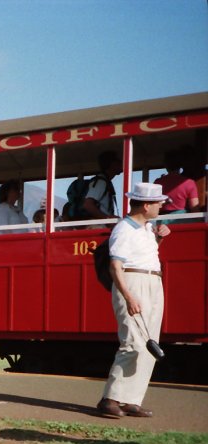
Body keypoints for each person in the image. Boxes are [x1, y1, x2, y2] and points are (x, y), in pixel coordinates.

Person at [97, 182, 171, 419]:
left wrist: (159, 239)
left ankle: (131, 400)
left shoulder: (147, 228)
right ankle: (110, 398)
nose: (161, 206)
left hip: (152, 281)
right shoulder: (124, 229)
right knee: (133, 342)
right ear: (146, 205)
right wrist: (128, 296)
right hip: (133, 282)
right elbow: (115, 266)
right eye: (158, 203)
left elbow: (144, 255)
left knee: (149, 343)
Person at [154, 150, 199, 214]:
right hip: (181, 219)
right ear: (181, 165)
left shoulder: (157, 182)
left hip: (161, 218)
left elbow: (153, 206)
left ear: (166, 165)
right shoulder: (189, 183)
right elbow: (195, 208)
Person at [83, 150, 122, 219]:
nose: (121, 163)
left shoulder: (105, 181)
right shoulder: (101, 182)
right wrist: (107, 219)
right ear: (111, 164)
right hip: (99, 224)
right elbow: (88, 205)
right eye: (118, 161)